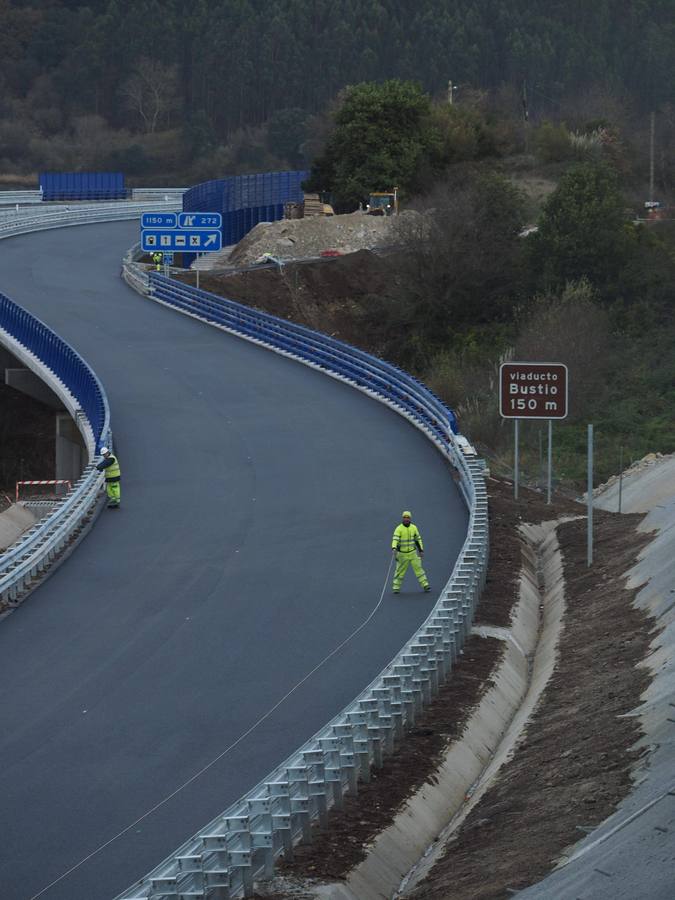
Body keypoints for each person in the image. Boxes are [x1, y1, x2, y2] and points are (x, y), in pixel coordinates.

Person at [391, 510, 430, 594]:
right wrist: (394, 548)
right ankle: (396, 587)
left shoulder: (414, 528)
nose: (406, 519)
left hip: (413, 553)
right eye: (404, 517)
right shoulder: (399, 529)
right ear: (402, 518)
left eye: (407, 517)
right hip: (402, 554)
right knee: (399, 572)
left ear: (410, 518)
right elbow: (395, 539)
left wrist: (421, 550)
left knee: (419, 569)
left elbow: (418, 540)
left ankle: (425, 585)